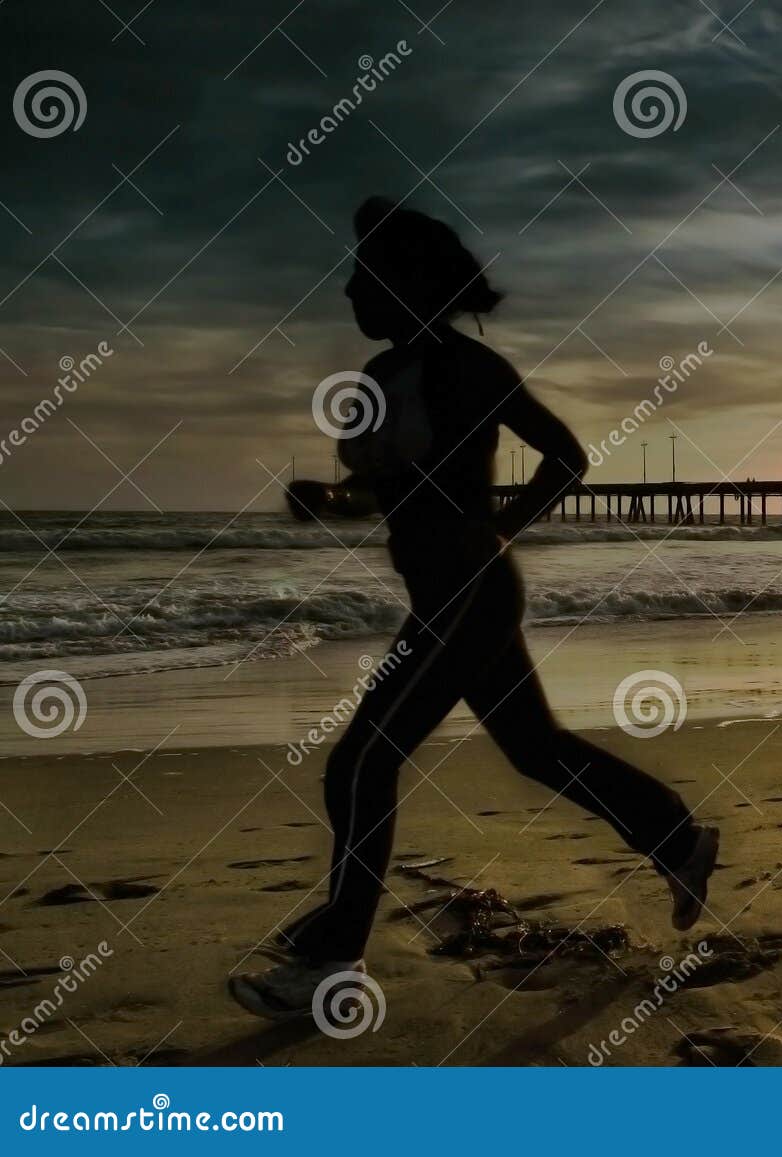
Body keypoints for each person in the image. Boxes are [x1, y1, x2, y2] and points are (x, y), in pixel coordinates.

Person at [230, 197, 719, 1020]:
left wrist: (494, 531)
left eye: (365, 277)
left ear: (410, 285)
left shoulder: (469, 370)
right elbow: (387, 492)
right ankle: (677, 838)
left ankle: (333, 961)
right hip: (447, 600)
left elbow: (565, 456)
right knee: (534, 749)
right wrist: (336, 499)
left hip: (469, 592)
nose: (349, 292)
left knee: (361, 761)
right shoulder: (381, 377)